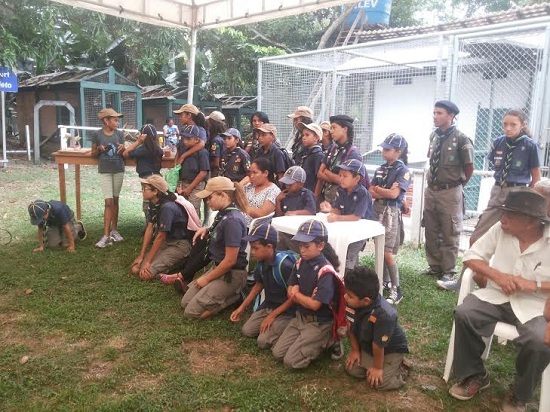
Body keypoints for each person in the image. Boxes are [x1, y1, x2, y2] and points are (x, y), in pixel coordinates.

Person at [448, 188, 550, 412]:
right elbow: (471, 256)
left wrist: (535, 285)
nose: (503, 218)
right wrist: (498, 276)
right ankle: (475, 375)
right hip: (497, 295)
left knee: (538, 340)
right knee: (465, 313)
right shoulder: (500, 229)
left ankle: (520, 393)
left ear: (532, 221)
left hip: (536, 306)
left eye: (510, 214)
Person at [437, 109, 541, 291]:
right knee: (476, 238)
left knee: (515, 242)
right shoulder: (498, 143)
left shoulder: (530, 146)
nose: (508, 128)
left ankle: (512, 284)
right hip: (498, 191)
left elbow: (536, 178)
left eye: (513, 125)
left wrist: (528, 202)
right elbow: (496, 165)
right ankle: (462, 282)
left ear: (522, 125)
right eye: (505, 124)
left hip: (519, 194)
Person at [272, 219, 341, 369]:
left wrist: (296, 296)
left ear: (321, 245)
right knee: (278, 354)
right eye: (300, 245)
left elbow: (315, 305)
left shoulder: (325, 271)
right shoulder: (300, 263)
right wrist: (303, 297)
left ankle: (329, 340)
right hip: (300, 317)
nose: (302, 250)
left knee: (291, 362)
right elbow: (289, 289)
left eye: (306, 246)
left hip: (318, 322)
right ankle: (307, 339)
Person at [180, 177, 250, 320]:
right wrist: (207, 229)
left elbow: (230, 261)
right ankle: (222, 292)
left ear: (222, 195)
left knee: (191, 313)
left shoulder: (233, 221)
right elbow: (219, 228)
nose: (207, 201)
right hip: (219, 268)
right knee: (185, 302)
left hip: (232, 273)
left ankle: (234, 297)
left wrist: (206, 279)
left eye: (209, 197)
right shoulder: (223, 213)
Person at [421, 100, 474, 279]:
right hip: (432, 190)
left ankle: (449, 270)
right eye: (434, 113)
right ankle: (434, 266)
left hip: (450, 191)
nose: (435, 116)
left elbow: (469, 168)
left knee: (450, 231)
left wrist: (457, 187)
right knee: (431, 229)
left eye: (439, 113)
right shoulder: (433, 136)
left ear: (451, 116)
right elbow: (431, 161)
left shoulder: (461, 138)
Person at [230, 223, 295, 349]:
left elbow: (293, 298)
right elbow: (259, 285)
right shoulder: (261, 262)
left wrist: (272, 315)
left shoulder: (285, 266)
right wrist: (242, 308)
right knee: (247, 331)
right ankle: (275, 327)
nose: (253, 252)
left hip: (287, 311)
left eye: (256, 248)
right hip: (269, 304)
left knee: (262, 341)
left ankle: (287, 328)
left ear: (269, 247)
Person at [344, 266, 410, 390]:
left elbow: (378, 345)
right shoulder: (351, 303)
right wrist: (355, 350)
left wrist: (377, 368)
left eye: (349, 295)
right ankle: (376, 365)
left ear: (366, 301)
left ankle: (401, 368)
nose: (345, 297)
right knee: (352, 369)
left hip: (389, 348)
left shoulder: (384, 315)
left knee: (380, 383)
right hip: (369, 345)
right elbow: (350, 327)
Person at [369, 134, 411, 305]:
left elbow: (395, 194)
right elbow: (371, 190)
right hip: (378, 209)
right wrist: (383, 190)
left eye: (387, 149)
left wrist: (381, 190)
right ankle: (384, 282)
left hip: (390, 213)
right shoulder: (381, 168)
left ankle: (396, 289)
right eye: (383, 149)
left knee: (387, 251)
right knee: (380, 247)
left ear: (398, 151)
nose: (383, 152)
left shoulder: (403, 171)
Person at [130, 175, 197, 281]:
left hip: (180, 245)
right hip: (166, 242)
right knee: (136, 268)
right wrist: (141, 256)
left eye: (145, 188)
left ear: (155, 191)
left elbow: (161, 236)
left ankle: (180, 263)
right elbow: (149, 228)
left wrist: (148, 261)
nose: (142, 191)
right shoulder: (153, 203)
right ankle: (166, 266)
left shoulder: (167, 207)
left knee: (146, 274)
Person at [320, 159, 373, 271]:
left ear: (357, 178)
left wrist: (337, 218)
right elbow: (337, 209)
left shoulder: (362, 193)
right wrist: (329, 209)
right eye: (340, 175)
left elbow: (356, 217)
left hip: (360, 232)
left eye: (345, 176)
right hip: (345, 229)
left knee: (349, 255)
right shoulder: (341, 190)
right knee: (340, 251)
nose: (341, 179)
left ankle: (348, 277)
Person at [89, 108, 126, 248]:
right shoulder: (97, 134)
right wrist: (99, 150)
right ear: (106, 121)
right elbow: (92, 154)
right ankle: (105, 235)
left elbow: (124, 152)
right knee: (108, 202)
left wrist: (123, 148)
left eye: (117, 120)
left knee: (116, 200)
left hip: (118, 170)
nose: (117, 122)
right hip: (104, 171)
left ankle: (114, 231)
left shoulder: (120, 134)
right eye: (115, 120)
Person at [315, 114, 362, 205]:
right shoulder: (332, 149)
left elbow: (345, 181)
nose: (331, 131)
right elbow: (319, 174)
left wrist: (327, 172)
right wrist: (315, 197)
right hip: (325, 200)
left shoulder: (352, 153)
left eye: (334, 128)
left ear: (344, 129)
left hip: (341, 203)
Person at [123, 124, 163, 218]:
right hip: (157, 176)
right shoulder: (158, 149)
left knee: (147, 202)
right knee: (156, 200)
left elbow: (125, 154)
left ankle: (149, 225)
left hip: (147, 178)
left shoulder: (142, 150)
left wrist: (138, 141)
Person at [275, 166, 317, 252]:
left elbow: (311, 211)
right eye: (286, 184)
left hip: (301, 232)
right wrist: (278, 201)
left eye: (291, 184)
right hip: (285, 229)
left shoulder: (306, 194)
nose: (288, 186)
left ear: (301, 183)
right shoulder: (285, 195)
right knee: (280, 236)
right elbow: (279, 216)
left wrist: (295, 213)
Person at [176, 125, 210, 219]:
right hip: (184, 182)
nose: (185, 141)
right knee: (183, 208)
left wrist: (190, 188)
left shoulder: (202, 153)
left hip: (196, 185)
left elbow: (203, 172)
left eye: (188, 138)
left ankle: (194, 231)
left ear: (196, 139)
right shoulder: (184, 150)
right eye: (184, 138)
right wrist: (179, 184)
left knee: (193, 209)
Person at [242, 158, 281, 226]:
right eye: (250, 172)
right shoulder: (248, 186)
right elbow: (231, 198)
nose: (251, 176)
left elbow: (262, 213)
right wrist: (241, 184)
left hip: (253, 227)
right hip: (238, 221)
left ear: (265, 173)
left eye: (255, 172)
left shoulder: (273, 190)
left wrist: (242, 207)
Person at [295, 122, 324, 193]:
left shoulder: (318, 155)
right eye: (303, 135)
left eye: (307, 135)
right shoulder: (305, 153)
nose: (303, 137)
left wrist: (315, 197)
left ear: (316, 138)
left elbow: (319, 179)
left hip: (310, 193)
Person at [205, 110, 226, 178]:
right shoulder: (223, 138)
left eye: (209, 122)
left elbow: (216, 163)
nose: (208, 125)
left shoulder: (215, 140)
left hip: (215, 174)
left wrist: (203, 164)